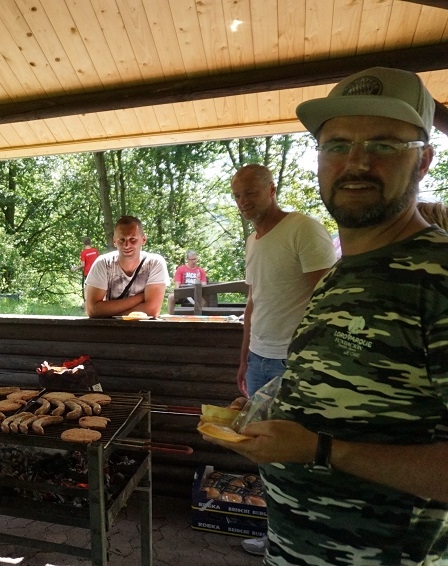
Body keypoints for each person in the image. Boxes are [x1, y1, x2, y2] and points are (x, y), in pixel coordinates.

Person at [206, 67, 448, 564]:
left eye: (383, 144)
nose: (356, 162)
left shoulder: (438, 278)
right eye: (337, 145)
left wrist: (321, 449)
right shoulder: (347, 272)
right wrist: (269, 409)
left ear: (423, 160)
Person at [229, 164, 337, 555]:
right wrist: (244, 357)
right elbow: (253, 303)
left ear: (272, 189)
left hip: (295, 364)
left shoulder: (302, 229)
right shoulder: (253, 241)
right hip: (260, 359)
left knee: (297, 454)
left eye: (250, 192)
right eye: (237, 195)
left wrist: (312, 363)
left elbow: (328, 303)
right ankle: (277, 535)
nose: (243, 201)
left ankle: (309, 543)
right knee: (266, 453)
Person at [84, 215, 170, 318]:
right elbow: (92, 310)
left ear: (143, 239)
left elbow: (152, 310)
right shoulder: (103, 263)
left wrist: (107, 312)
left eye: (132, 239)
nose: (127, 245)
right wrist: (139, 298)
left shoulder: (155, 263)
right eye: (122, 240)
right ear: (114, 241)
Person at [167, 250, 208, 314]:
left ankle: (199, 317)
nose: (194, 261)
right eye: (191, 259)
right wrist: (182, 292)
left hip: (196, 294)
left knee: (205, 301)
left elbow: (204, 286)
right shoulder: (181, 269)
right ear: (187, 259)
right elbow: (177, 286)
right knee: (171, 297)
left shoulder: (201, 271)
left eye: (195, 259)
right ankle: (170, 317)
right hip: (183, 293)